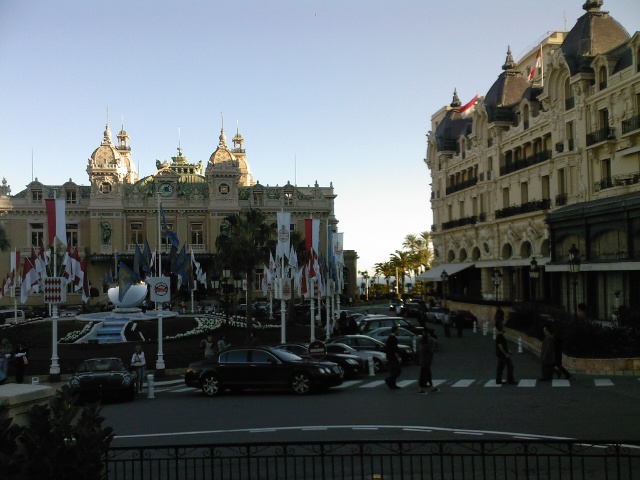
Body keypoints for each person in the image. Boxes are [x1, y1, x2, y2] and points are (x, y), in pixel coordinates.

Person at [417, 329, 439, 394]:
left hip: (423, 361)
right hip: (426, 362)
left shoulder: (422, 344)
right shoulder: (426, 346)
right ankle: (420, 389)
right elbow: (431, 351)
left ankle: (431, 387)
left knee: (428, 374)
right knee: (424, 375)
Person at [384, 324, 402, 389]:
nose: (399, 331)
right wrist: (398, 357)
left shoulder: (390, 338)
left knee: (393, 370)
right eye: (398, 330)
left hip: (390, 356)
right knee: (398, 370)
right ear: (396, 330)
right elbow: (394, 349)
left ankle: (392, 384)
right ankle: (389, 380)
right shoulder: (393, 338)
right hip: (393, 356)